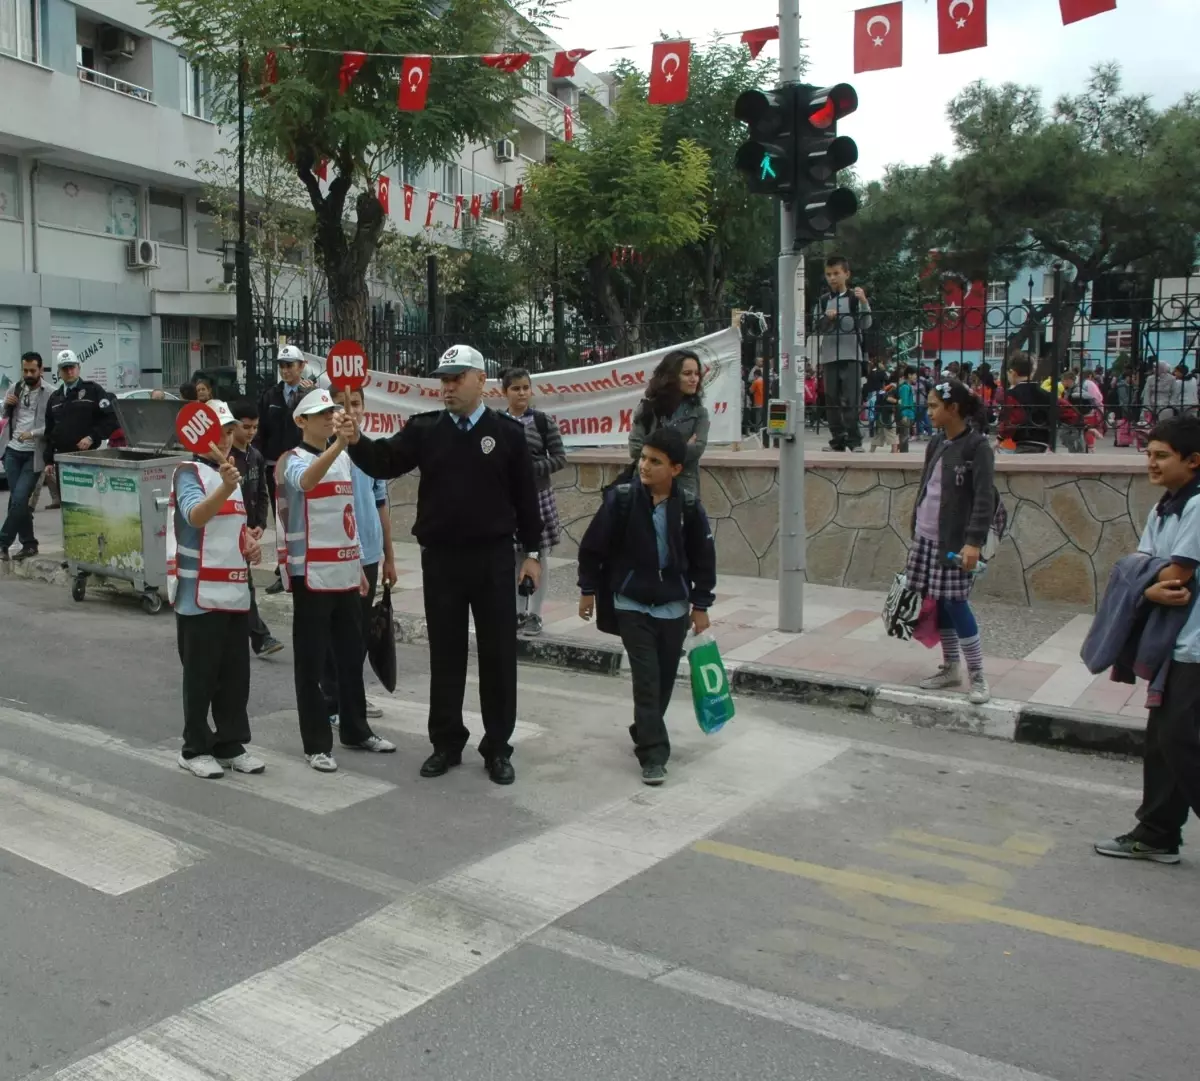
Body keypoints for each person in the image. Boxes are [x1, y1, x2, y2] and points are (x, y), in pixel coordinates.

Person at [341, 344, 542, 786]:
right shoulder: (425, 430)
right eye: (443, 379)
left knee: (497, 656)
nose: (447, 386)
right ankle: (446, 743)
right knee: (446, 656)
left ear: (480, 382)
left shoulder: (506, 434)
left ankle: (497, 748)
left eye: (455, 378)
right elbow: (384, 460)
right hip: (443, 561)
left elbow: (527, 500)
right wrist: (355, 441)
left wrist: (532, 554)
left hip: (492, 560)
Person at [577, 427, 716, 785]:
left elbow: (704, 559)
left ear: (675, 469)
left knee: (665, 680)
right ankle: (653, 756)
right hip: (631, 604)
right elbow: (592, 547)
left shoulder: (688, 506)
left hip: (673, 608)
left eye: (656, 461)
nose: (645, 466)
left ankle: (645, 726)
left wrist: (700, 604)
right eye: (643, 458)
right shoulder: (621, 500)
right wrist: (588, 590)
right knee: (647, 679)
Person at [1095, 416, 1200, 864]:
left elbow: (1176, 575)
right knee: (1164, 740)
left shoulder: (1198, 506)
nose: (1151, 463)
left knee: (1181, 739)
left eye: (1162, 456)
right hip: (1176, 644)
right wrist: (1146, 584)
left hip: (1194, 645)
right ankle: (1157, 832)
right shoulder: (1166, 506)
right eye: (1149, 454)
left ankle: (1158, 830)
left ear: (1193, 461)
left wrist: (1144, 581)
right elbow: (1144, 565)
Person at [277, 388, 396, 772]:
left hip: (345, 573)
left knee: (350, 657)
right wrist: (338, 446)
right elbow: (307, 481)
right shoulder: (291, 460)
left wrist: (360, 566)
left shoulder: (344, 460)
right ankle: (316, 744)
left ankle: (356, 729)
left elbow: (348, 518)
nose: (330, 418)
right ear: (302, 421)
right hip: (310, 576)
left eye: (332, 412)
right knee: (311, 664)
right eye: (321, 413)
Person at [166, 399, 266, 780]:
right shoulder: (189, 471)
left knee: (235, 676)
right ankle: (193, 748)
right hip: (199, 594)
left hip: (235, 592)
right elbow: (195, 515)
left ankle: (230, 744)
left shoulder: (230, 474)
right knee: (201, 676)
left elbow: (233, 530)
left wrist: (251, 545)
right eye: (219, 429)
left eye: (228, 430)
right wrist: (225, 488)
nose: (225, 437)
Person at [907, 379, 996, 705]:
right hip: (928, 536)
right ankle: (950, 667)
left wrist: (973, 542)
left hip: (956, 543)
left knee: (956, 602)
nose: (928, 411)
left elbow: (984, 499)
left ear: (953, 408)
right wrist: (916, 523)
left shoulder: (977, 448)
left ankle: (977, 676)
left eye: (933, 406)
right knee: (939, 600)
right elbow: (927, 485)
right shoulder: (937, 443)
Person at [321, 384, 398, 720]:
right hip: (337, 556)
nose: (349, 410)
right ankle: (333, 699)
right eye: (340, 405)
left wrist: (389, 557)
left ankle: (354, 695)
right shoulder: (324, 454)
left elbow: (381, 506)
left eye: (355, 403)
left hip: (367, 554)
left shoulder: (371, 452)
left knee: (361, 631)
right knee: (337, 632)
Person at [501, 367, 566, 637]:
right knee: (513, 559)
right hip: (507, 500)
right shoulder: (498, 423)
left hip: (538, 498)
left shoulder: (542, 422)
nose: (521, 393)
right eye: (515, 388)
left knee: (537, 556)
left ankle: (535, 615)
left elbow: (559, 458)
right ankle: (516, 612)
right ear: (504, 392)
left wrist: (531, 469)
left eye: (525, 388)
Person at [229, 399, 283, 659]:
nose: (250, 432)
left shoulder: (256, 456)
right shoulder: (226, 459)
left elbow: (262, 493)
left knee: (242, 584)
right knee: (243, 585)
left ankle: (251, 635)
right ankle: (260, 638)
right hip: (229, 532)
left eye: (255, 428)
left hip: (249, 532)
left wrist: (260, 524)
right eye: (246, 427)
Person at [256, 345, 311, 595]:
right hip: (275, 467)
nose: (285, 370)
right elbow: (260, 432)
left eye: (290, 365)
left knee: (303, 515)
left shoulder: (310, 394)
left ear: (301, 366)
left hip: (303, 467)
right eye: (282, 366)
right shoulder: (270, 396)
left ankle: (303, 565)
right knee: (281, 519)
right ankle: (282, 570)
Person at [627, 350, 710, 498]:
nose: (694, 379)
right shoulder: (647, 409)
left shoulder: (699, 413)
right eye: (687, 373)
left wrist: (653, 452)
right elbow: (634, 449)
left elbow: (697, 449)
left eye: (696, 373)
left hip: (684, 488)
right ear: (671, 376)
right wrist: (682, 447)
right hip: (647, 488)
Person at [813, 255, 871, 452]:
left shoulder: (855, 298)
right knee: (831, 399)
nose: (832, 278)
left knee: (851, 399)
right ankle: (837, 439)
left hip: (851, 355)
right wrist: (827, 319)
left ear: (846, 274)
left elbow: (865, 324)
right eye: (829, 274)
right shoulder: (823, 301)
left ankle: (854, 440)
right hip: (829, 356)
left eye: (836, 273)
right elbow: (817, 327)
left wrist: (864, 302)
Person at [0, 352, 52, 561]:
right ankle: (29, 543)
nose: (28, 374)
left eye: (32, 370)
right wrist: (7, 404)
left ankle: (3, 542)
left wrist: (33, 433)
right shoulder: (16, 388)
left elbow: (52, 426)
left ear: (41, 370)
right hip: (12, 452)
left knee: (19, 499)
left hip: (33, 453)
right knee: (17, 501)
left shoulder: (50, 393)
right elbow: (5, 417)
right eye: (25, 370)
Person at [43, 350, 116, 491]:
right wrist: (49, 460)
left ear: (78, 368)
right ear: (59, 372)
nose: (69, 371)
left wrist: (91, 437)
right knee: (68, 504)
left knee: (88, 502)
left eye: (72, 367)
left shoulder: (93, 390)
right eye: (65, 368)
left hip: (88, 459)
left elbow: (111, 418)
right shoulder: (55, 398)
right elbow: (50, 431)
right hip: (63, 461)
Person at [870, 380, 898, 452]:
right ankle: (894, 454)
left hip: (879, 414)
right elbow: (887, 398)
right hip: (887, 415)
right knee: (892, 433)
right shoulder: (890, 389)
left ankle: (871, 451)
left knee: (878, 434)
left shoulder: (881, 391)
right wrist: (898, 401)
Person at [896, 367, 916, 453]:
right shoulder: (905, 387)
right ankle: (903, 454)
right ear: (909, 375)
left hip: (909, 414)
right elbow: (903, 403)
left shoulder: (907, 386)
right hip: (906, 415)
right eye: (915, 374)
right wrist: (904, 415)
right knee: (904, 437)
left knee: (905, 436)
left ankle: (903, 452)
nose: (916, 377)